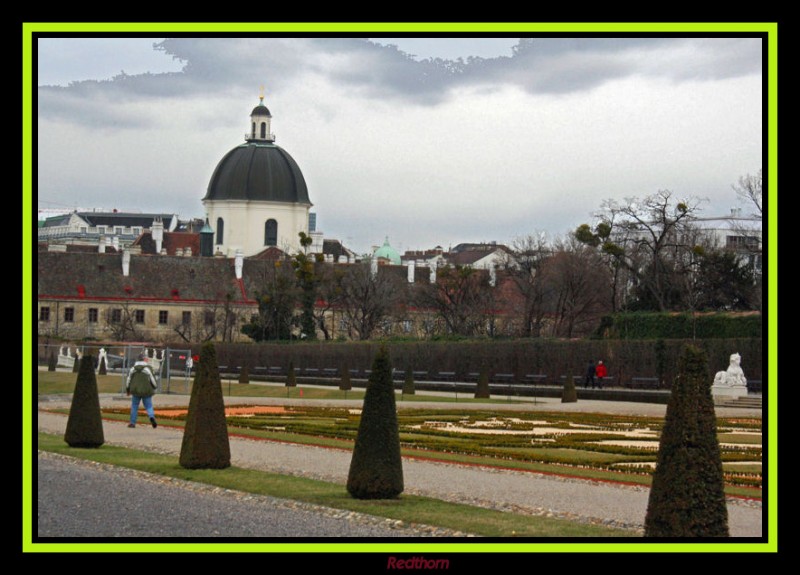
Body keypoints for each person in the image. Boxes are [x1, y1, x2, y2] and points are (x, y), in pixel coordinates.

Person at [126, 352, 158, 428]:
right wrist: (154, 387)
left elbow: (128, 380)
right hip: (146, 391)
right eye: (146, 358)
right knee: (148, 406)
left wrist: (128, 389)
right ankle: (151, 416)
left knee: (134, 406)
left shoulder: (133, 369)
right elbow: (152, 380)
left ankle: (132, 423)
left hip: (136, 391)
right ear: (144, 359)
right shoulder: (148, 369)